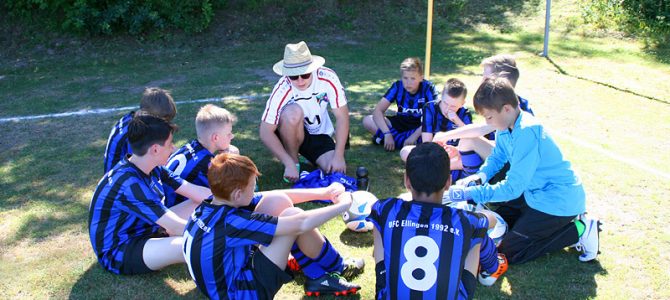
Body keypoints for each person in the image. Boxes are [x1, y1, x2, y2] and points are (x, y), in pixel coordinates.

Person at [447, 77, 601, 264]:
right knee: (501, 224)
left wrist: (472, 193)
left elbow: (513, 188)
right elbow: (498, 156)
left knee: (509, 253)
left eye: (489, 117)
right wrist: (480, 176)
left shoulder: (527, 131)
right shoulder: (505, 124)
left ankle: (580, 229)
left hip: (558, 201)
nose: (488, 122)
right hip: (534, 193)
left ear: (507, 108)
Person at [183, 153, 363, 299]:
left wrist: (324, 192)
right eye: (252, 186)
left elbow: (271, 195)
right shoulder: (231, 222)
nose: (255, 190)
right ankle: (338, 267)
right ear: (238, 194)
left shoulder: (209, 205)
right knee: (293, 217)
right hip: (242, 294)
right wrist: (342, 205)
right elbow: (301, 224)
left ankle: (315, 275)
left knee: (277, 201)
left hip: (222, 284)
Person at [369, 143, 499, 299]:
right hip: (467, 222)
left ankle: (384, 277)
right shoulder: (464, 220)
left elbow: (378, 210)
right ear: (448, 182)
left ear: (407, 181)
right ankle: (491, 268)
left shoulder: (385, 208)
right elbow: (492, 220)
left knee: (378, 219)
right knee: (476, 232)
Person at [89, 114, 212, 275]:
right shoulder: (129, 184)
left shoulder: (151, 166)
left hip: (146, 228)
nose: (173, 148)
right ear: (155, 149)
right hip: (121, 248)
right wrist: (222, 233)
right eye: (169, 144)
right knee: (191, 245)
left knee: (205, 204)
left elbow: (194, 191)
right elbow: (176, 226)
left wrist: (246, 201)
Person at [260, 41, 350, 182]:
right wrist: (288, 163)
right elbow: (265, 131)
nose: (300, 81)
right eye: (294, 76)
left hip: (319, 133)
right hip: (288, 131)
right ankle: (294, 162)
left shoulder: (328, 78)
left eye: (305, 74)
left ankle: (310, 158)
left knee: (333, 171)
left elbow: (342, 117)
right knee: (293, 112)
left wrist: (339, 156)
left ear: (313, 69)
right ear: (287, 74)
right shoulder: (282, 88)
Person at [164, 104, 239, 208]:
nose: (232, 136)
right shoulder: (207, 166)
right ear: (215, 138)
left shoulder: (188, 147)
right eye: (229, 133)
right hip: (175, 213)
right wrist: (234, 161)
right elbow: (227, 196)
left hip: (163, 204)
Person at [362, 57, 438, 151]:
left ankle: (393, 142)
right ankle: (404, 143)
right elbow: (378, 111)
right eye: (405, 78)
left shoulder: (428, 88)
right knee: (368, 120)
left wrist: (414, 136)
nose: (408, 82)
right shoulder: (398, 86)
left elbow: (434, 115)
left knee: (435, 132)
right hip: (400, 123)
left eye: (413, 78)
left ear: (421, 78)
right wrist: (387, 134)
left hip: (420, 126)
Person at [103, 87, 177, 173]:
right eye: (161, 122)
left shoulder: (133, 120)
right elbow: (147, 163)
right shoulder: (134, 134)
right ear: (150, 116)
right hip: (122, 179)